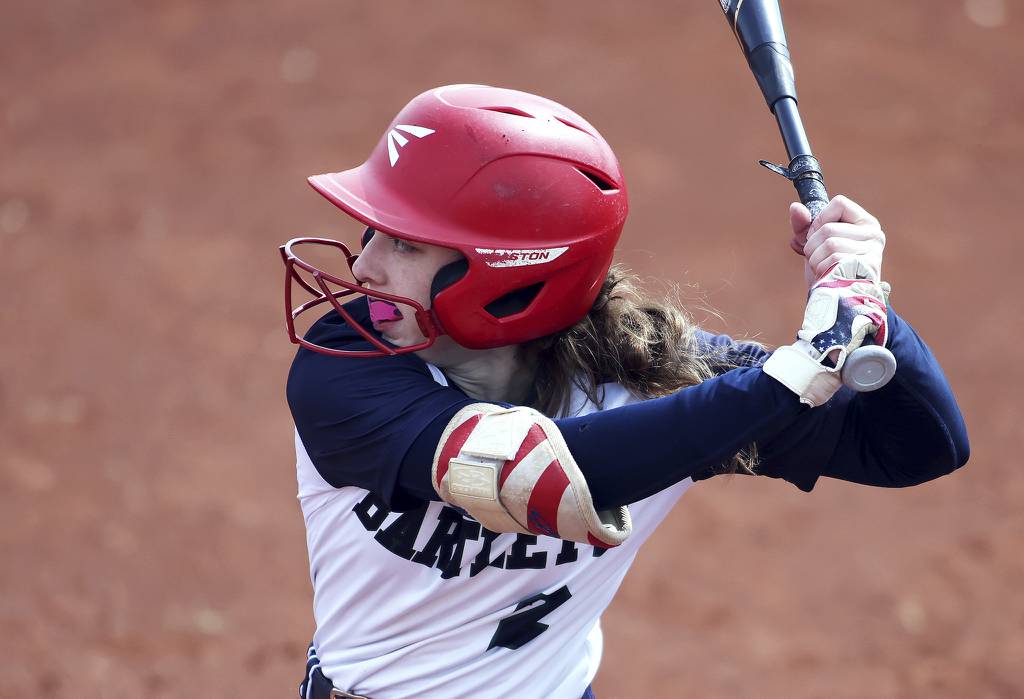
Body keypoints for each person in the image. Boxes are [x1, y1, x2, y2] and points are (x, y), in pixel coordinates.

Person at [280, 84, 968, 699]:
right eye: (375, 229)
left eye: (404, 243)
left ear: (506, 273)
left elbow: (920, 448)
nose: (364, 264)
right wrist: (794, 373)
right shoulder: (342, 364)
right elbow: (540, 472)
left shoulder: (654, 375)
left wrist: (869, 306)